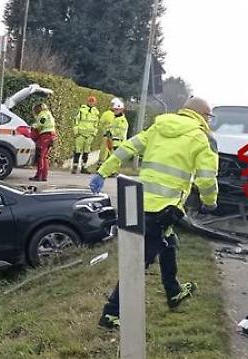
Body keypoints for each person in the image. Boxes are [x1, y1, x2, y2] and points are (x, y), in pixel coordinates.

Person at [89, 96, 220, 330]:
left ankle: (173, 292)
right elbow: (207, 177)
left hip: (139, 201)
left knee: (169, 243)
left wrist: (102, 171)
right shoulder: (202, 138)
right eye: (209, 116)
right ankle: (111, 313)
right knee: (141, 260)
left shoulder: (158, 127)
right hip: (165, 208)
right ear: (203, 115)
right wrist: (210, 202)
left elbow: (128, 148)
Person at [72, 95, 101, 174]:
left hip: (89, 135)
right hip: (80, 134)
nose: (91, 103)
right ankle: (75, 167)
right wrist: (76, 133)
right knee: (77, 151)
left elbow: (96, 124)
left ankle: (84, 167)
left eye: (93, 101)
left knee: (86, 152)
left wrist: (93, 134)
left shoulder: (96, 112)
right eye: (90, 101)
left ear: (95, 103)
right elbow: (76, 121)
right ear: (87, 101)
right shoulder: (81, 110)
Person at [29, 102, 57, 182]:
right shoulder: (49, 113)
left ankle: (39, 176)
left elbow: (42, 122)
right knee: (45, 157)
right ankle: (44, 176)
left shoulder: (42, 114)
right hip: (51, 135)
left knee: (41, 156)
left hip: (46, 135)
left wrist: (34, 126)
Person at [99, 98, 130, 166]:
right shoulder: (115, 118)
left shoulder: (121, 120)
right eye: (115, 109)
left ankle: (112, 171)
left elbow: (120, 131)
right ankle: (107, 168)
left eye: (117, 109)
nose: (115, 111)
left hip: (117, 142)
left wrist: (110, 133)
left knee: (114, 158)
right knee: (110, 156)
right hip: (112, 140)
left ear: (121, 110)